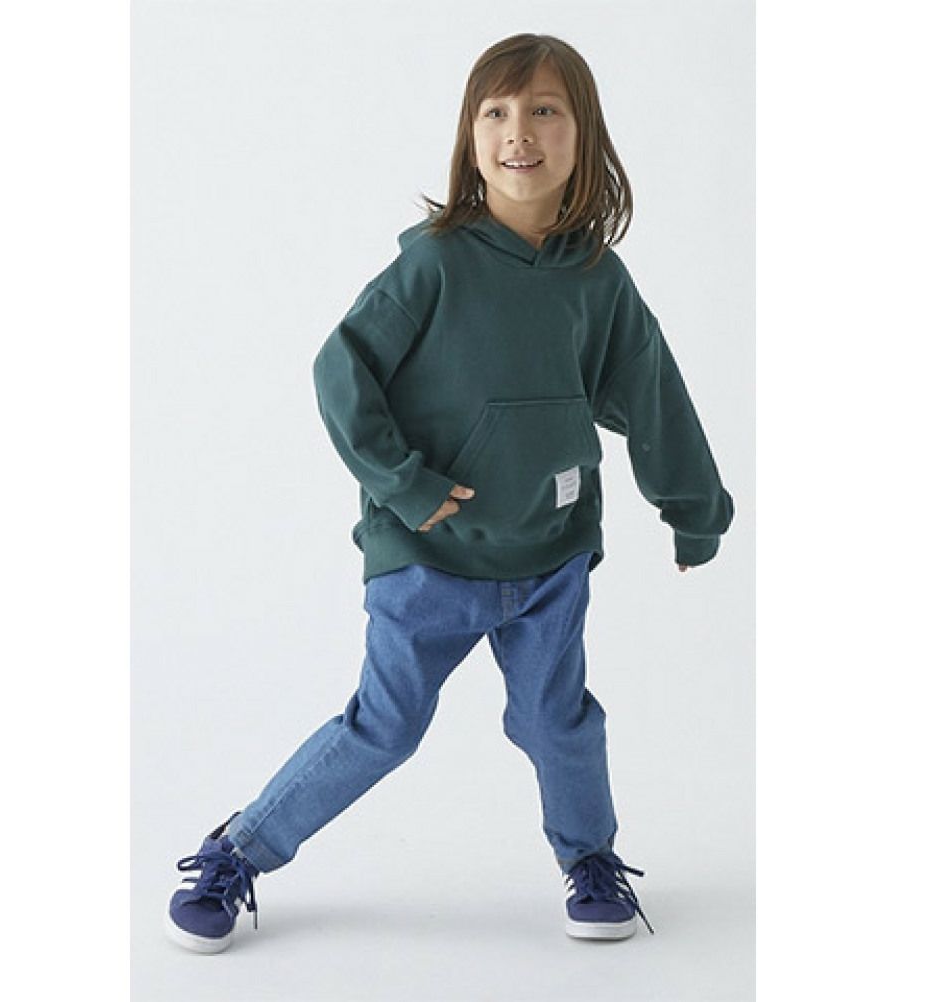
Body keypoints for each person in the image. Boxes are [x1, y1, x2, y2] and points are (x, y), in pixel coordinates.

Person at [165, 32, 735, 954]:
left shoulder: (598, 280)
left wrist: (694, 506)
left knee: (557, 722)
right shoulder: (435, 264)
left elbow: (653, 390)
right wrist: (405, 484)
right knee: (383, 729)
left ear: (585, 133)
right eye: (496, 112)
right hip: (428, 555)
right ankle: (237, 853)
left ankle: (590, 859)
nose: (520, 132)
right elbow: (341, 368)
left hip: (549, 554)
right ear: (471, 138)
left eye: (544, 110)